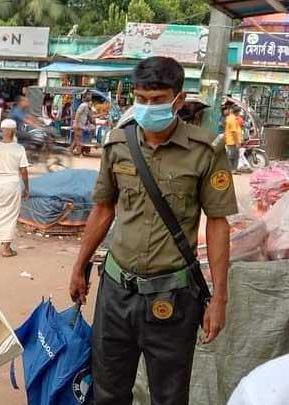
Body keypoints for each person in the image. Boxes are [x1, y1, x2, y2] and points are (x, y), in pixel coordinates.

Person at [69, 56, 237, 405]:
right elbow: (103, 209)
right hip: (116, 292)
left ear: (178, 99)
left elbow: (218, 224)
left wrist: (219, 296)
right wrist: (79, 266)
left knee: (169, 396)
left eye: (157, 100)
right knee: (107, 392)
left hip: (173, 298)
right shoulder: (117, 145)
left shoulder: (205, 152)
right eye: (141, 99)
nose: (147, 108)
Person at [0, 119, 29, 258]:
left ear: (2, 130)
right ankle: (6, 248)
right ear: (14, 131)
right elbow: (23, 171)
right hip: (12, 184)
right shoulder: (19, 148)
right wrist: (26, 187)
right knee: (10, 215)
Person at [225, 105, 242, 173]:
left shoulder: (230, 117)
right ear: (237, 112)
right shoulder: (233, 119)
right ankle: (232, 169)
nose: (239, 113)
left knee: (232, 156)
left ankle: (232, 169)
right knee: (233, 156)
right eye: (239, 112)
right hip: (232, 141)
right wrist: (237, 142)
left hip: (231, 140)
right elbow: (234, 132)